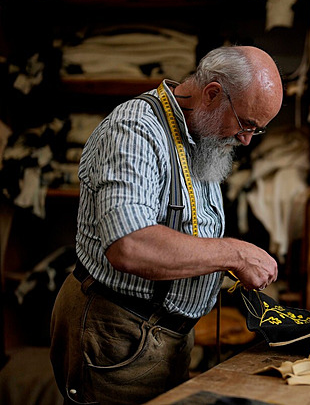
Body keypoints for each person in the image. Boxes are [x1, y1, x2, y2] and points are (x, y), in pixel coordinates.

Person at [49, 45, 283, 404]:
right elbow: (130, 245)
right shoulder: (135, 129)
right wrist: (233, 254)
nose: (246, 139)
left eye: (257, 130)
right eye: (247, 124)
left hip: (164, 333)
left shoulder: (201, 133)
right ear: (212, 94)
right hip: (118, 333)